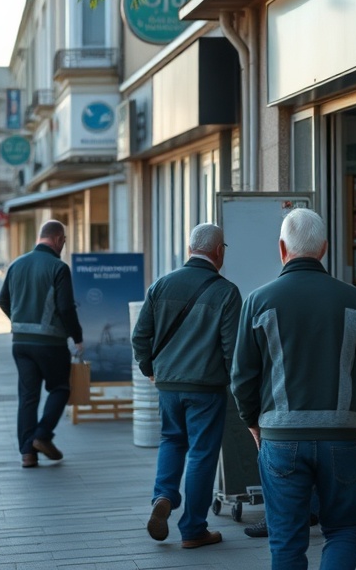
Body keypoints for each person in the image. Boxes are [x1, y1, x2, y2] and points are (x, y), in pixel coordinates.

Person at [231, 208, 356, 569]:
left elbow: (242, 376)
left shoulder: (258, 301)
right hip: (341, 435)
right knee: (344, 528)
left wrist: (253, 423)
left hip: (280, 438)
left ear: (282, 249)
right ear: (325, 248)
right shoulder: (354, 299)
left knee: (286, 537)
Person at [131, 223, 242, 551]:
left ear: (190, 248)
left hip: (167, 385)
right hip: (206, 388)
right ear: (219, 252)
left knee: (171, 441)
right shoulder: (226, 292)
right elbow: (231, 349)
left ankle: (163, 496)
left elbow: (140, 337)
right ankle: (193, 528)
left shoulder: (161, 285)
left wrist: (151, 370)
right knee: (202, 455)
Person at [0, 220, 84, 468]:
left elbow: (3, 300)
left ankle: (27, 453)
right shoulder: (59, 267)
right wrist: (77, 337)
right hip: (50, 342)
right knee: (59, 388)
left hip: (20, 343)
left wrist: (19, 320)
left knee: (28, 396)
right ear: (58, 240)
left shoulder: (16, 264)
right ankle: (42, 435)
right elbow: (66, 308)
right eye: (64, 241)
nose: (63, 246)